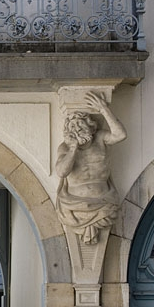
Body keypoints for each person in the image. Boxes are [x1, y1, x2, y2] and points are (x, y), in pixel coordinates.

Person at [55, 92, 127, 244]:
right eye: (72, 126)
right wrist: (73, 148)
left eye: (81, 123)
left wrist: (104, 109)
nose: (77, 128)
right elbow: (62, 171)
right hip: (74, 206)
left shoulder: (100, 138)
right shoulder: (65, 148)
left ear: (91, 126)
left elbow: (120, 135)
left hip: (104, 203)